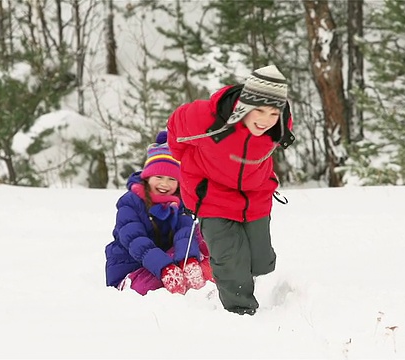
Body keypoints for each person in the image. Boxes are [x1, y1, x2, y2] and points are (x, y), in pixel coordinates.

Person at [166, 65, 295, 315]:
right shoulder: (208, 118)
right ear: (244, 105)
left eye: (272, 112)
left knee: (260, 260)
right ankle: (240, 312)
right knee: (230, 258)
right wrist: (182, 158)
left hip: (254, 195)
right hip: (212, 194)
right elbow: (175, 128)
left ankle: (239, 280)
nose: (265, 120)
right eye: (258, 110)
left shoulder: (280, 124)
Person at [105, 131, 213, 296]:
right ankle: (131, 285)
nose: (164, 184)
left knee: (200, 231)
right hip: (134, 266)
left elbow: (184, 234)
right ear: (147, 177)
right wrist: (165, 267)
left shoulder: (179, 202)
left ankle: (209, 272)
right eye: (159, 176)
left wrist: (188, 261)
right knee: (146, 288)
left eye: (172, 179)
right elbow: (136, 241)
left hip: (166, 260)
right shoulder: (131, 202)